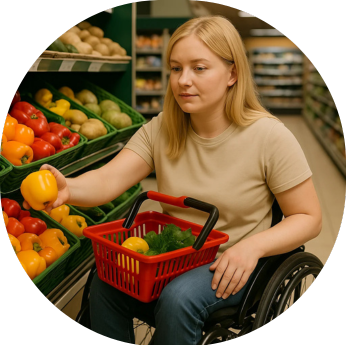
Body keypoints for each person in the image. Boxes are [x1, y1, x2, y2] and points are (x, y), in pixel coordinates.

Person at [25, 15, 322, 345]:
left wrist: (253, 247)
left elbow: (308, 218)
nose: (183, 80)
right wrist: (69, 187)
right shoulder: (163, 127)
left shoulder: (269, 137)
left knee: (179, 299)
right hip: (173, 253)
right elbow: (110, 179)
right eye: (176, 68)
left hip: (231, 260)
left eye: (199, 68)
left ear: (232, 73)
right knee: (106, 281)